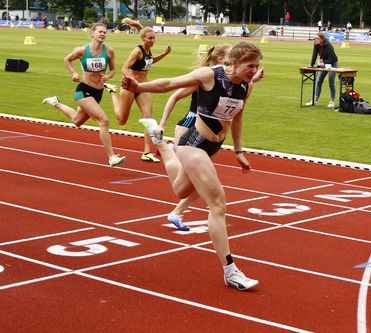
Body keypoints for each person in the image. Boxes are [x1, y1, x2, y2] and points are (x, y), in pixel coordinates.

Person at [121, 41, 262, 290]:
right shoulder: (209, 75)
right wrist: (139, 86)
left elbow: (237, 118)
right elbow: (170, 85)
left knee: (182, 190)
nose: (255, 70)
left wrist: (238, 151)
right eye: (251, 65)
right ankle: (230, 271)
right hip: (193, 143)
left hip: (214, 146)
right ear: (235, 62)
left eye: (257, 66)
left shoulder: (246, 87)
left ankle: (163, 147)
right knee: (218, 203)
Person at [159, 44, 264, 231]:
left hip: (210, 132)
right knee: (192, 179)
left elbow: (234, 94)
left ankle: (177, 211)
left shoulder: (234, 82)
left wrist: (252, 78)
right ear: (222, 61)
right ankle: (164, 148)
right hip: (189, 126)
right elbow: (173, 94)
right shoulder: (205, 77)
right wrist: (162, 124)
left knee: (195, 182)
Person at [42, 23, 126, 167]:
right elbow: (67, 60)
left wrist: (107, 77)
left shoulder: (109, 51)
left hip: (98, 93)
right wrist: (74, 73)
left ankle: (55, 102)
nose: (103, 34)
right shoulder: (82, 50)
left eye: (105, 32)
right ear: (92, 34)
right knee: (104, 121)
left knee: (77, 121)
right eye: (100, 32)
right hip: (83, 91)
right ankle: (112, 157)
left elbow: (113, 70)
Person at [106, 20, 172, 163]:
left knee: (149, 119)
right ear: (143, 39)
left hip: (143, 87)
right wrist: (133, 80)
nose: (153, 40)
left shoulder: (148, 51)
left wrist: (165, 54)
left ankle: (147, 152)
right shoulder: (137, 50)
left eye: (154, 38)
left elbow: (150, 61)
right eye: (150, 38)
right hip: (130, 87)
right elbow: (124, 68)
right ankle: (112, 92)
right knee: (121, 120)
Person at [305, 32, 339, 109]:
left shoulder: (329, 46)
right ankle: (315, 100)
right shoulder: (316, 44)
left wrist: (324, 63)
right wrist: (312, 65)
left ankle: (332, 101)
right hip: (324, 63)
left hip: (333, 64)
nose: (315, 39)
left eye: (317, 38)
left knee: (331, 82)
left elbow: (332, 59)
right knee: (319, 81)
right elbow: (314, 54)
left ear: (321, 39)